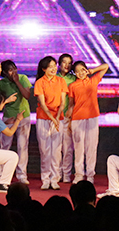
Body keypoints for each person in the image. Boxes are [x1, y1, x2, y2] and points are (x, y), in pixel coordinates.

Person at [66, 60, 109, 184]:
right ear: (74, 73)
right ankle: (79, 174)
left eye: (82, 70)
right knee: (79, 148)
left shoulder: (93, 80)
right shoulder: (72, 86)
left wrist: (93, 70)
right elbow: (71, 104)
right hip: (77, 118)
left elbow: (105, 66)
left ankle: (90, 175)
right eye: (77, 71)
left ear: (86, 69)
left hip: (92, 117)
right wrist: (69, 121)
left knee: (91, 147)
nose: (80, 73)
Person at [34, 56, 69, 190]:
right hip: (44, 118)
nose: (53, 69)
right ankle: (45, 179)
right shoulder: (39, 82)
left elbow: (63, 102)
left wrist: (57, 116)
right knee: (45, 150)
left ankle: (55, 179)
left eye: (54, 66)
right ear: (44, 69)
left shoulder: (61, 81)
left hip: (58, 118)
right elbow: (42, 104)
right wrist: (52, 118)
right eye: (50, 67)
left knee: (56, 151)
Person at [0, 60, 32, 184]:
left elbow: (27, 95)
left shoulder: (23, 78)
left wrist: (17, 81)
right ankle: (2, 175)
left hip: (23, 116)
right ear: (5, 73)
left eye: (15, 68)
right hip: (9, 117)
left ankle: (22, 175)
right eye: (10, 70)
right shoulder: (2, 83)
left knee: (22, 146)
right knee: (5, 146)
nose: (14, 72)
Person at [57, 53, 76, 183]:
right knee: (56, 148)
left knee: (68, 148)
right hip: (56, 117)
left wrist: (71, 111)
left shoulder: (74, 79)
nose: (67, 65)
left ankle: (67, 174)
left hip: (69, 117)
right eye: (64, 62)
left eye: (69, 63)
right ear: (59, 64)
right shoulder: (54, 77)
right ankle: (57, 173)